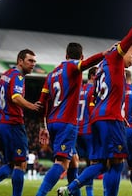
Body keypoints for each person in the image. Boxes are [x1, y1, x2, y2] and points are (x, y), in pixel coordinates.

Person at [57, 0, 132, 196]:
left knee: (103, 165)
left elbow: (98, 96)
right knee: (117, 164)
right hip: (110, 119)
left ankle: (69, 189)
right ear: (124, 50)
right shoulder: (115, 58)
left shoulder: (103, 65)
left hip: (97, 119)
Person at [36, 43, 109, 196]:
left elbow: (41, 103)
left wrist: (43, 126)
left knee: (74, 160)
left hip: (52, 123)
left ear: (66, 55)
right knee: (62, 163)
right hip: (67, 123)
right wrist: (104, 53)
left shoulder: (51, 74)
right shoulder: (73, 67)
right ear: (80, 57)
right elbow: (89, 63)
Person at [0, 49, 42, 196]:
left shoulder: (5, 75)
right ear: (20, 60)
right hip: (13, 124)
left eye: (34, 61)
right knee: (21, 163)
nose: (33, 64)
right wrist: (32, 106)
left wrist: (2, 112)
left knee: (13, 163)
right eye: (30, 61)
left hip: (1, 124)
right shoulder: (18, 77)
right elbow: (15, 97)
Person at [76, 67, 98, 196]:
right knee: (92, 164)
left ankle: (74, 190)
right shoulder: (94, 90)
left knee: (73, 162)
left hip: (75, 131)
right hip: (89, 131)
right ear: (92, 76)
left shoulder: (78, 89)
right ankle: (89, 193)